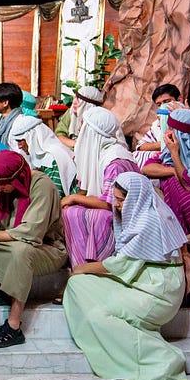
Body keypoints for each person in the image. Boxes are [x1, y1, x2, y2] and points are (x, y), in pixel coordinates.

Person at [64, 172, 187, 380]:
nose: (118, 205)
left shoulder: (149, 221)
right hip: (143, 282)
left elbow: (119, 264)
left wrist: (81, 267)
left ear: (136, 197)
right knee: (78, 284)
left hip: (158, 293)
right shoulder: (147, 211)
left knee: (97, 315)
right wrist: (80, 273)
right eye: (117, 199)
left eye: (122, 200)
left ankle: (161, 360)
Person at [0, 151, 67, 348]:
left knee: (21, 252)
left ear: (18, 177)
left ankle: (13, 326)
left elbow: (31, 232)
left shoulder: (41, 185)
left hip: (46, 247)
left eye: (4, 184)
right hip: (9, 239)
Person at [61, 107, 138, 267]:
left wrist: (74, 197)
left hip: (124, 215)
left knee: (78, 213)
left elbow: (111, 203)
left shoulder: (114, 161)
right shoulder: (107, 153)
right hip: (114, 208)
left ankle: (88, 264)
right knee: (72, 209)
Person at [133, 84, 190, 168]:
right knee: (138, 155)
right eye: (159, 104)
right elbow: (141, 147)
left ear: (179, 100)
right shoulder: (157, 124)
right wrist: (166, 144)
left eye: (166, 101)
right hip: (168, 157)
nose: (163, 107)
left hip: (189, 158)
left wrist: (186, 115)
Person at [8, 115, 77, 198]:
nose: (19, 146)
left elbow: (54, 195)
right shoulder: (34, 157)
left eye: (20, 141)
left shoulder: (53, 159)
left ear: (31, 137)